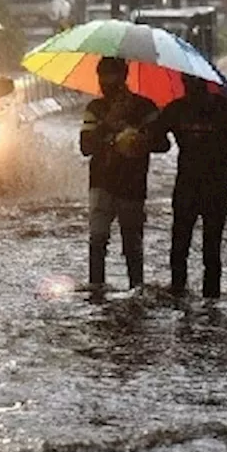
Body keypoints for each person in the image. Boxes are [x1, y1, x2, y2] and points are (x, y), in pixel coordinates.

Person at [141, 76, 227, 300]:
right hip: (191, 189)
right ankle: (188, 299)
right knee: (182, 250)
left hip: (211, 190)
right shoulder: (179, 109)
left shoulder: (223, 109)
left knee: (207, 252)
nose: (190, 88)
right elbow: (155, 139)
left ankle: (203, 302)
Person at [79, 56, 170, 292]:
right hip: (101, 182)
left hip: (132, 184)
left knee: (132, 243)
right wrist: (108, 123)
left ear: (124, 78)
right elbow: (86, 147)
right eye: (103, 79)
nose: (106, 85)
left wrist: (140, 138)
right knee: (98, 240)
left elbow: (163, 144)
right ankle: (96, 289)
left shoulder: (145, 107)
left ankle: (136, 289)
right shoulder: (95, 109)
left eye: (111, 78)